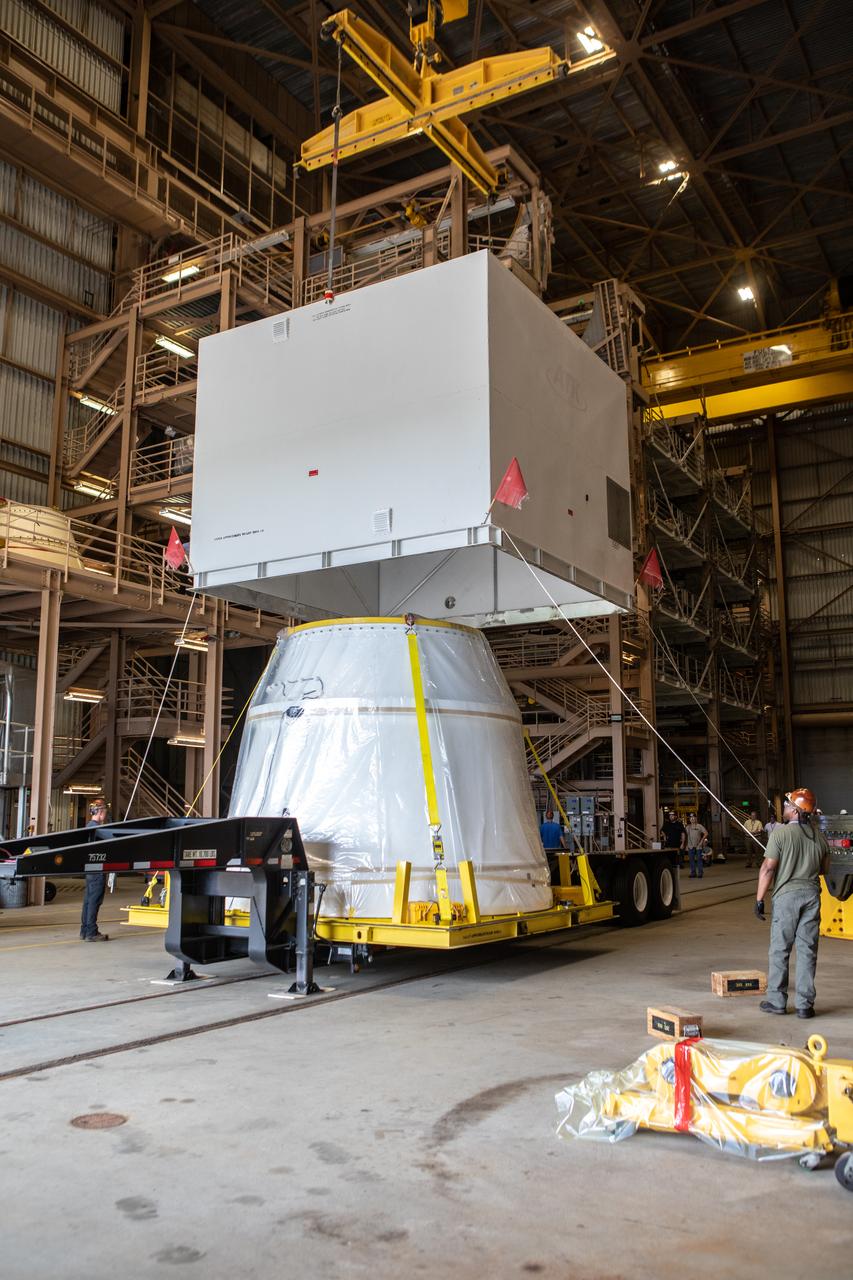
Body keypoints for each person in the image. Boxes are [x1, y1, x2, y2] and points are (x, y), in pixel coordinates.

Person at [755, 787, 830, 1019]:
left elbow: (768, 868)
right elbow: (824, 869)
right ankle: (805, 1005)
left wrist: (759, 899)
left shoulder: (780, 833)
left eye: (788, 806)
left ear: (797, 811)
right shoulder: (819, 835)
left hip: (787, 896)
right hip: (811, 896)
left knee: (780, 950)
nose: (785, 809)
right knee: (807, 951)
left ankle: (777, 1001)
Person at [80, 797, 110, 942]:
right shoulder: (98, 829)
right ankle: (91, 932)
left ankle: (84, 930)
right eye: (104, 811)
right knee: (94, 900)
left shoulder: (88, 827)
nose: (105, 814)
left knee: (88, 900)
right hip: (97, 869)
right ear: (100, 812)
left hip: (90, 870)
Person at [684, 812, 708, 879]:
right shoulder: (687, 827)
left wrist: (701, 841)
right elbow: (685, 836)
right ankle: (693, 873)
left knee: (699, 859)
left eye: (693, 817)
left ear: (696, 818)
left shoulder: (699, 826)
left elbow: (706, 833)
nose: (692, 819)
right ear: (689, 819)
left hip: (698, 846)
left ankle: (700, 873)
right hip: (690, 846)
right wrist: (685, 845)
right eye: (691, 818)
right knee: (691, 860)